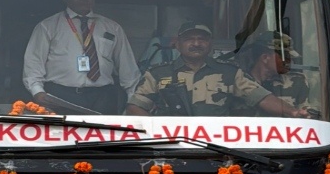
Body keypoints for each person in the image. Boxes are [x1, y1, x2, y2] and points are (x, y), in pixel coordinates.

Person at [126, 22, 311, 117]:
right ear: (178, 45)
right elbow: (135, 106)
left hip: (217, 147)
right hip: (171, 145)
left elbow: (261, 97)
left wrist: (292, 112)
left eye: (202, 39)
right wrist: (159, 128)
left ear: (210, 45)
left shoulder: (230, 73)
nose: (196, 43)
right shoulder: (158, 74)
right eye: (190, 39)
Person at [23, 0, 141, 114]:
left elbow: (128, 68)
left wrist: (134, 100)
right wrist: (37, 91)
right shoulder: (47, 26)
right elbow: (34, 62)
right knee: (65, 134)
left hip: (103, 96)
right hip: (62, 95)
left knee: (103, 135)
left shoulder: (112, 27)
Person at [238, 31, 311, 112]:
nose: (289, 61)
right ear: (265, 58)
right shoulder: (238, 81)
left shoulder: (297, 81)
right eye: (284, 57)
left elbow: (305, 115)